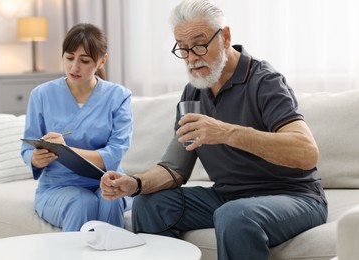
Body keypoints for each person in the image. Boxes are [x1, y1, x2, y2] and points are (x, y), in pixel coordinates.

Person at [100, 0, 328, 259]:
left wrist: (226, 132)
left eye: (199, 45)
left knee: (235, 215)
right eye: (183, 49)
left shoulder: (264, 81)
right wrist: (135, 183)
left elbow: (306, 152)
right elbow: (174, 168)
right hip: (229, 197)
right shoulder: (193, 92)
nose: (192, 58)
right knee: (149, 204)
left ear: (225, 37)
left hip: (295, 197)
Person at [21, 23, 133, 232]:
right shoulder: (41, 94)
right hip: (57, 187)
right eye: (69, 58)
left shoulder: (119, 96)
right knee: (81, 202)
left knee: (111, 198)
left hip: (107, 180)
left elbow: (115, 152)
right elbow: (28, 148)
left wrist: (66, 151)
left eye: (84, 61)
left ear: (102, 60)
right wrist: (35, 158)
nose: (74, 67)